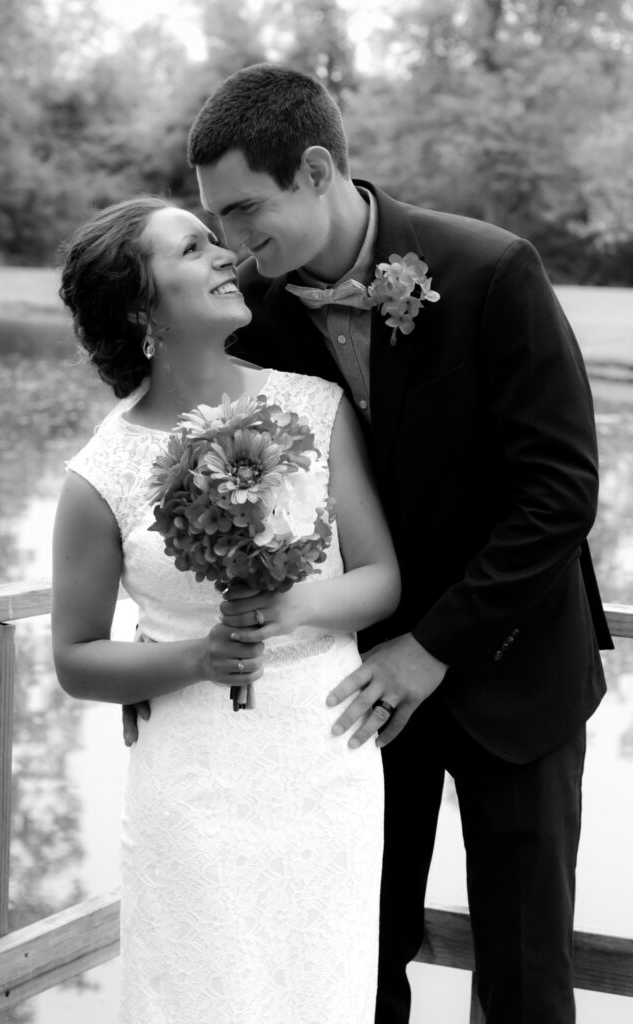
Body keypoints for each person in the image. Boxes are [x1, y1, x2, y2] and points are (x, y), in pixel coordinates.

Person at [181, 63, 614, 1024]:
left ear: (319, 167)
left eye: (248, 211)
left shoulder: (493, 269)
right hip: (356, 695)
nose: (236, 246)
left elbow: (559, 494)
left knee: (523, 972)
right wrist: (167, 653)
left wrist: (433, 646)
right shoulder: (255, 321)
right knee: (353, 958)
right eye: (217, 224)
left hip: (516, 673)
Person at [52, 195, 401, 1023]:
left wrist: (291, 606)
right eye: (192, 249)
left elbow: (381, 577)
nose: (223, 256)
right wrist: (196, 658)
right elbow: (75, 658)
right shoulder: (97, 476)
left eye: (217, 241)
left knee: (326, 990)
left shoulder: (314, 407)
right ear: (142, 309)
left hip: (324, 757)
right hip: (193, 785)